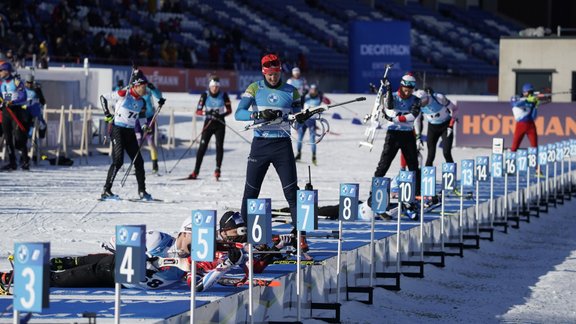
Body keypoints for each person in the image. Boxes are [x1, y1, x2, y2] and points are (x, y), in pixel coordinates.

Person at [235, 53, 310, 244]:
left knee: (291, 192)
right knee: (251, 191)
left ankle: (300, 235)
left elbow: (297, 119)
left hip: (282, 146)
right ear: (263, 72)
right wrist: (259, 114)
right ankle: (243, 234)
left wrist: (301, 118)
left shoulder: (292, 91)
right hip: (260, 145)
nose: (273, 78)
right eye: (269, 75)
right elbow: (239, 113)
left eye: (276, 74)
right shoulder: (254, 88)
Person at [0, 226, 192, 291]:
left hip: (119, 284)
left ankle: (41, 265)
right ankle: (10, 278)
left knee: (74, 264)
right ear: (185, 232)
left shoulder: (193, 262)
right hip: (110, 270)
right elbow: (116, 240)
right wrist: (143, 260)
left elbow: (201, 283)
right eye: (195, 237)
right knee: (58, 279)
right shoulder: (160, 239)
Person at [368, 72, 422, 220]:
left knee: (413, 167)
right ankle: (373, 194)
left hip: (407, 135)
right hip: (393, 135)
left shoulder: (416, 100)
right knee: (383, 165)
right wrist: (388, 87)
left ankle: (415, 199)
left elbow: (413, 116)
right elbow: (390, 105)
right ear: (402, 85)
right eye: (406, 87)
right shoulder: (393, 96)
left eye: (411, 88)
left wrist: (394, 118)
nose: (408, 91)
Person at [100, 69, 152, 200]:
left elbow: (141, 116)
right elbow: (103, 97)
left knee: (138, 161)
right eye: (143, 87)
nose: (145, 89)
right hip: (117, 130)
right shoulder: (124, 94)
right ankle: (106, 190)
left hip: (130, 132)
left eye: (145, 87)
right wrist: (107, 114)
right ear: (136, 86)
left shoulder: (142, 101)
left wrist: (145, 126)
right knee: (118, 161)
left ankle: (142, 191)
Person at [187, 76, 232, 180]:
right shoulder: (205, 95)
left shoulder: (223, 95)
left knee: (219, 146)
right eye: (213, 86)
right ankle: (195, 172)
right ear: (210, 87)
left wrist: (221, 115)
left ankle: (217, 170)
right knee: (202, 148)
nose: (215, 88)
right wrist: (207, 112)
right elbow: (198, 111)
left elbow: (229, 110)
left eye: (216, 86)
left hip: (220, 124)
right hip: (208, 124)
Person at [414, 87, 458, 166]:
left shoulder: (438, 98)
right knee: (430, 155)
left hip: (446, 126)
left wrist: (451, 126)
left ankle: (452, 174)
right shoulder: (417, 105)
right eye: (420, 103)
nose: (422, 105)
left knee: (446, 153)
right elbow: (417, 121)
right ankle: (426, 177)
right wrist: (418, 137)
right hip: (432, 128)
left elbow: (455, 109)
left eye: (423, 102)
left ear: (427, 97)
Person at [0, 61, 30, 170]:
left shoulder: (16, 81)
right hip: (6, 112)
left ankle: (25, 160)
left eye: (1, 71)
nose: (0, 73)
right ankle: (12, 162)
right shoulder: (2, 84)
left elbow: (23, 96)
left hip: (16, 111)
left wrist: (12, 101)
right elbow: (3, 97)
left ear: (7, 71)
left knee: (19, 138)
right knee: (7, 138)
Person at [295, 84, 330, 165]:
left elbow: (328, 102)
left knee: (312, 140)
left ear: (316, 91)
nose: (312, 91)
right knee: (299, 138)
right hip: (303, 120)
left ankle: (314, 156)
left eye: (314, 90)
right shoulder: (305, 97)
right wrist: (303, 94)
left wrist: (322, 95)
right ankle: (298, 154)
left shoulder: (319, 98)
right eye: (311, 89)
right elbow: (299, 101)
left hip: (311, 121)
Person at [135, 82, 165, 174]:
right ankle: (137, 166)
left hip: (148, 119)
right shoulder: (133, 89)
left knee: (151, 142)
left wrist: (154, 89)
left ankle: (155, 165)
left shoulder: (147, 89)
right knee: (138, 143)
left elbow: (159, 96)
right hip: (137, 120)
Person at [510, 83, 550, 153]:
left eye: (531, 92)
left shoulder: (532, 102)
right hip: (521, 125)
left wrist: (535, 106)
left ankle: (535, 161)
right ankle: (511, 158)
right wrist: (527, 100)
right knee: (514, 146)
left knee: (534, 146)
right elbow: (514, 104)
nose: (530, 94)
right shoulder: (517, 98)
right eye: (529, 92)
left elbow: (533, 117)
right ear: (524, 92)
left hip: (531, 125)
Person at [23, 74, 47, 140]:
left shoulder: (36, 90)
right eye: (28, 82)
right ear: (25, 82)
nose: (29, 84)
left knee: (42, 125)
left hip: (35, 112)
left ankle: (39, 139)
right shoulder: (22, 90)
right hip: (24, 111)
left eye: (31, 83)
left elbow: (43, 101)